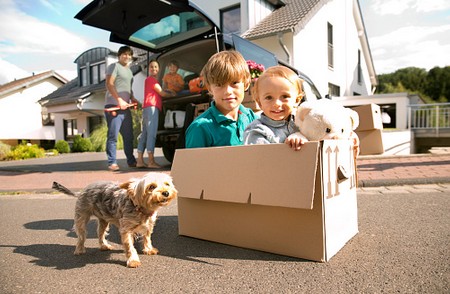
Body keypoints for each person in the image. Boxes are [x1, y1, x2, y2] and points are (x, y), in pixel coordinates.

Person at [185, 50, 257, 148]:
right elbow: (194, 163)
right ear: (210, 88)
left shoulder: (252, 117)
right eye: (219, 84)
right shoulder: (200, 128)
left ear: (246, 84)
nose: (228, 91)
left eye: (234, 83)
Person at [243, 65, 306, 150]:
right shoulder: (257, 130)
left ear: (297, 100)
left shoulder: (302, 123)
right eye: (269, 97)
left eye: (284, 96)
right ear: (260, 103)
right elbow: (260, 159)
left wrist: (300, 136)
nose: (277, 104)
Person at [104, 45, 138, 171]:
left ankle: (131, 160)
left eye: (129, 54)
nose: (127, 56)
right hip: (113, 106)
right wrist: (119, 99)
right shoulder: (114, 66)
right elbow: (109, 83)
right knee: (113, 136)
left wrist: (132, 97)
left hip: (125, 107)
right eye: (124, 54)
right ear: (119, 55)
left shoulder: (129, 71)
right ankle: (112, 162)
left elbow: (127, 87)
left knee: (129, 136)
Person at [136, 59, 174, 168]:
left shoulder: (149, 80)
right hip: (152, 108)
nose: (154, 69)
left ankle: (140, 161)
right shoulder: (152, 80)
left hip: (147, 108)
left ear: (159, 69)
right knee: (151, 134)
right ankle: (151, 162)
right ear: (149, 69)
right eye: (152, 67)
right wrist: (172, 94)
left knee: (145, 134)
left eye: (156, 67)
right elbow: (161, 92)